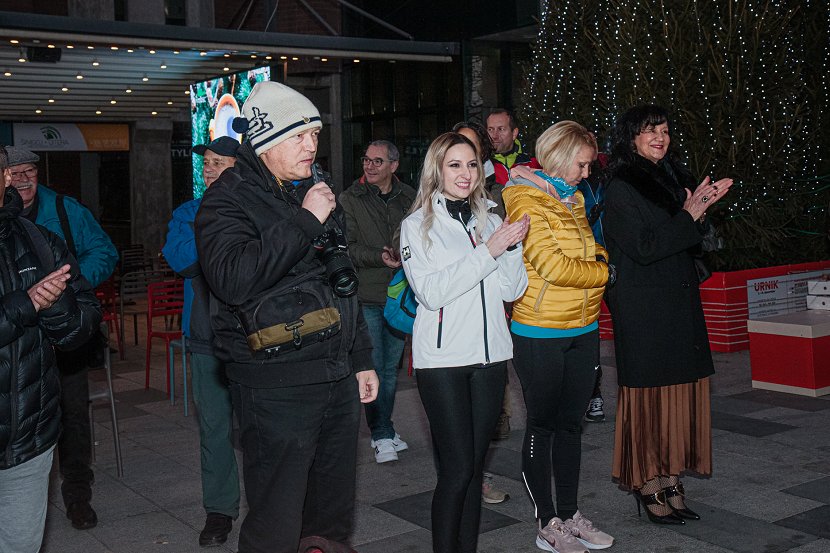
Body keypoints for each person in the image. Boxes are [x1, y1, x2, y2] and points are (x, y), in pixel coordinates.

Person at [194, 81, 378, 553]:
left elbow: (342, 278)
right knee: (277, 514)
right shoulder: (226, 199)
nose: (311, 145)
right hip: (275, 384)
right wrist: (305, 221)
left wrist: (361, 357)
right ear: (265, 141)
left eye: (314, 134)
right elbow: (233, 279)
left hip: (335, 375)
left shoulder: (312, 188)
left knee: (330, 512)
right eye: (298, 136)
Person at [399, 132, 529, 553]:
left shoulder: (489, 219)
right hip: (443, 362)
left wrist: (511, 247)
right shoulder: (416, 225)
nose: (465, 173)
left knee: (473, 470)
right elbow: (431, 293)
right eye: (454, 164)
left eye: (472, 164)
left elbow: (511, 290)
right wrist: (489, 251)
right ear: (437, 169)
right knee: (456, 471)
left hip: (491, 358)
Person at [603, 105, 732, 524]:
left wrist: (699, 212)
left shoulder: (674, 177)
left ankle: (671, 476)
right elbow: (643, 247)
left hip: (677, 300)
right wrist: (689, 214)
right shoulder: (620, 184)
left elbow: (688, 240)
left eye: (664, 129)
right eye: (649, 130)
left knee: (678, 396)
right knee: (648, 400)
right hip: (643, 307)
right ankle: (646, 481)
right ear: (631, 138)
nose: (659, 137)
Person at [503, 121, 615, 553]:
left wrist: (599, 261)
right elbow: (552, 266)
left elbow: (590, 248)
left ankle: (569, 515)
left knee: (571, 425)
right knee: (542, 425)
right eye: (581, 165)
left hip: (583, 327)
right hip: (540, 330)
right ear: (560, 157)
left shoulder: (573, 198)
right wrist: (605, 274)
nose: (586, 174)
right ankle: (546, 522)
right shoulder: (524, 198)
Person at [7, 146, 118, 530]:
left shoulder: (64, 209)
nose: (23, 179)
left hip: (63, 337)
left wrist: (68, 286)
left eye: (29, 171)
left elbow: (104, 251)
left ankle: (77, 494)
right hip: (17, 340)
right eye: (15, 172)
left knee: (73, 415)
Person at [162, 136, 241, 547]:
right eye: (207, 162)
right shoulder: (188, 213)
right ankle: (220, 509)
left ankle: (276, 504)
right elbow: (184, 260)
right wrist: (217, 219)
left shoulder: (259, 206)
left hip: (258, 337)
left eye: (218, 162)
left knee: (267, 429)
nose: (209, 169)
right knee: (214, 429)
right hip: (207, 337)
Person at [341, 139, 415, 464]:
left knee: (390, 369)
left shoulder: (409, 197)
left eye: (377, 161)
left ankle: (384, 427)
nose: (369, 166)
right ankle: (381, 433)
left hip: (399, 297)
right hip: (368, 295)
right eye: (366, 160)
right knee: (372, 367)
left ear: (393, 166)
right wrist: (379, 256)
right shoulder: (350, 198)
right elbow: (348, 247)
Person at [452, 121, 512, 505]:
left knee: (487, 415)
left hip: (489, 318)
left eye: (472, 153)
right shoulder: (432, 203)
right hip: (452, 327)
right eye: (456, 155)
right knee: (457, 415)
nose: (465, 167)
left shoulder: (497, 196)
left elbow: (510, 276)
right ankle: (465, 477)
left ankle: (478, 474)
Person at [579, 149, 608, 424]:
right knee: (589, 327)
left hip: (613, 260)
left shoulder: (609, 172)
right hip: (585, 265)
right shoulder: (568, 182)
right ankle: (592, 393)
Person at [486, 108, 541, 186]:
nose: (494, 136)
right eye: (490, 129)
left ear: (514, 133)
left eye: (501, 129)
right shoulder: (481, 164)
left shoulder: (533, 162)